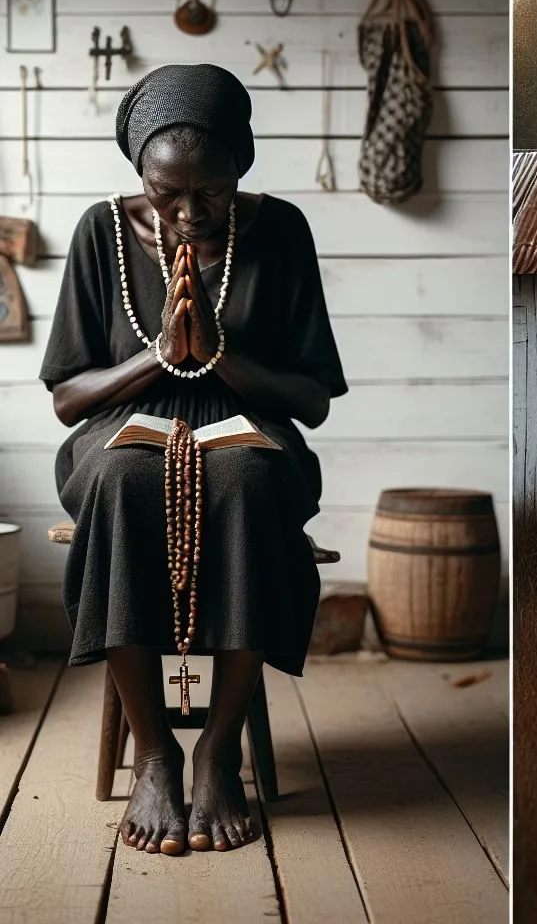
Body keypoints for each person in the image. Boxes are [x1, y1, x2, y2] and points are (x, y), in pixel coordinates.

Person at [38, 64, 347, 856]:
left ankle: (215, 751)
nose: (186, 211)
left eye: (208, 190)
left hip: (248, 426)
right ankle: (154, 754)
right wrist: (162, 362)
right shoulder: (99, 232)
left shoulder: (279, 231)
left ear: (241, 165)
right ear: (138, 171)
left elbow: (310, 398)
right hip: (119, 425)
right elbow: (70, 399)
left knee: (245, 474)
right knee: (118, 472)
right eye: (165, 190)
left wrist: (221, 359)